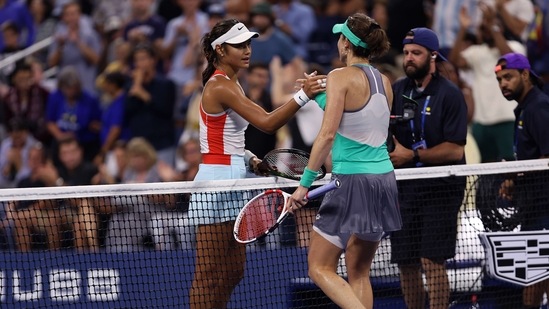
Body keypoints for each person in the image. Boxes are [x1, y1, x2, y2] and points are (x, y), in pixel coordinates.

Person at [189, 18, 325, 308]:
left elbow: (229, 138)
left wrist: (251, 159)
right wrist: (303, 95)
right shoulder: (219, 86)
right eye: (239, 45)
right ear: (221, 51)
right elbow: (266, 122)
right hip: (215, 181)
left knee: (234, 271)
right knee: (207, 275)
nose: (247, 50)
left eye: (249, 44)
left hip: (235, 173)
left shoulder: (233, 84)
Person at [287, 12, 401, 308]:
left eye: (341, 38)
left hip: (352, 182)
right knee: (359, 272)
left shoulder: (339, 77)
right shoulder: (385, 81)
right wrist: (317, 95)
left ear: (346, 44)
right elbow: (358, 117)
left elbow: (327, 135)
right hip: (384, 182)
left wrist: (303, 185)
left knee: (319, 267)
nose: (338, 43)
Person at [389, 28, 468, 309]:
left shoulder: (450, 94)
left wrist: (412, 155)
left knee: (430, 260)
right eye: (407, 53)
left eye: (416, 53)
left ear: (432, 56)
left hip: (441, 187)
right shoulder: (398, 89)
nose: (409, 58)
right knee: (406, 261)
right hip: (405, 188)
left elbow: (455, 149)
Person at [494, 52, 549, 309]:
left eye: (508, 77)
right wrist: (514, 179)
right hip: (534, 206)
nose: (503, 83)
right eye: (499, 79)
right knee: (536, 277)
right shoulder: (526, 108)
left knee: (537, 276)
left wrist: (516, 175)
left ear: (525, 75)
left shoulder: (538, 107)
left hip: (545, 211)